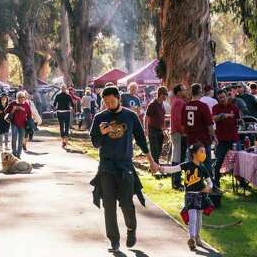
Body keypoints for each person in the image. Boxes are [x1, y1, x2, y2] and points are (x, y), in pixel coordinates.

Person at [90, 86, 158, 251]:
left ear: (119, 98)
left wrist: (151, 162)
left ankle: (131, 229)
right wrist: (102, 133)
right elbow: (95, 143)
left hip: (125, 166)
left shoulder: (130, 116)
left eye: (112, 101)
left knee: (126, 203)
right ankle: (114, 240)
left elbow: (141, 140)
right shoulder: (100, 118)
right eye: (106, 102)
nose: (109, 104)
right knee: (109, 205)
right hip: (106, 167)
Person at [157, 141, 214, 251]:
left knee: (199, 219)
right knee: (192, 218)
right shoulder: (187, 165)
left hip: (200, 196)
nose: (204, 154)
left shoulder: (203, 168)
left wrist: (208, 187)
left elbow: (210, 182)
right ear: (194, 153)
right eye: (201, 151)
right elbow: (174, 169)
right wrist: (161, 169)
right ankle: (191, 238)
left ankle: (197, 236)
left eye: (204, 152)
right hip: (190, 196)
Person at [182, 83, 215, 176]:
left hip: (191, 138)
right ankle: (210, 185)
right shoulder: (203, 106)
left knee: (191, 163)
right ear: (200, 92)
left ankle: (191, 184)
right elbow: (209, 124)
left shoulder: (185, 106)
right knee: (207, 163)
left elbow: (183, 125)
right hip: (203, 139)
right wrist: (214, 136)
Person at [211, 87, 239, 184]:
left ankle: (241, 181)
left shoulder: (234, 107)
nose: (222, 99)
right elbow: (214, 118)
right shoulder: (216, 107)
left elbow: (239, 119)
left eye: (223, 97)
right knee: (219, 160)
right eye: (220, 98)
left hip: (233, 138)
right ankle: (216, 181)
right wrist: (224, 115)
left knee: (237, 160)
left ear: (227, 96)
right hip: (221, 139)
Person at [5, 91, 34, 158]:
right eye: (20, 97)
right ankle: (14, 153)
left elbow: (29, 114)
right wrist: (13, 109)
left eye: (23, 97)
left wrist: (30, 123)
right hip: (14, 123)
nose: (22, 99)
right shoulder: (13, 103)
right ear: (17, 98)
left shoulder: (26, 104)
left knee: (21, 140)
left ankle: (19, 154)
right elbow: (5, 111)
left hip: (23, 124)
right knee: (14, 139)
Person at [145, 86, 169, 163]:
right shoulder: (152, 104)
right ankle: (155, 167)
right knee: (154, 149)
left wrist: (165, 127)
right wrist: (146, 129)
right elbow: (146, 117)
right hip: (152, 129)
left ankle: (154, 165)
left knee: (159, 149)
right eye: (165, 94)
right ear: (160, 94)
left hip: (160, 130)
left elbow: (162, 116)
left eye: (166, 94)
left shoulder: (162, 104)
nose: (166, 96)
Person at [170, 84, 188, 164]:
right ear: (178, 92)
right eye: (184, 90)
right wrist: (183, 131)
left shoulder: (175, 100)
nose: (185, 91)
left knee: (176, 155)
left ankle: (175, 175)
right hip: (178, 132)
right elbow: (178, 119)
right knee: (178, 156)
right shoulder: (179, 102)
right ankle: (176, 175)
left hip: (176, 131)